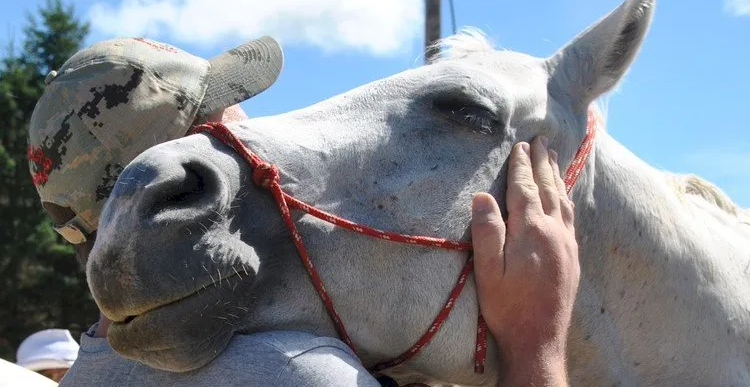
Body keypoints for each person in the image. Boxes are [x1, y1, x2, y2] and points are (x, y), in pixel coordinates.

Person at [27, 36, 580, 386]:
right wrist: (537, 343)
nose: (262, 151)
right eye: (237, 131)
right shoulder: (292, 372)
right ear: (185, 181)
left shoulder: (82, 377)